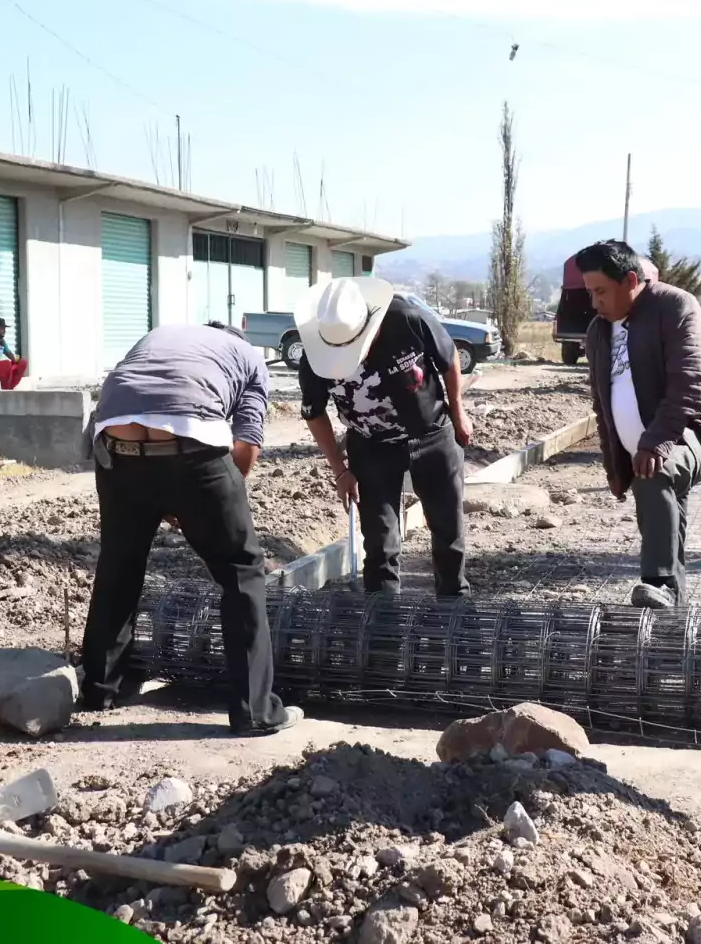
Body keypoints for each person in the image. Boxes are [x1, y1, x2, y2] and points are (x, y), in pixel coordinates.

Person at [79, 322, 301, 736]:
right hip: (190, 447)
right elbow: (246, 446)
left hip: (114, 445)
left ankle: (99, 688)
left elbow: (125, 396)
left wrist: (167, 497)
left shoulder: (162, 335)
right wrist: (201, 502)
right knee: (242, 571)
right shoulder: (250, 358)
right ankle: (256, 712)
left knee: (120, 565)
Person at [577, 240, 701, 609]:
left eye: (601, 291)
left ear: (631, 280)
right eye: (590, 292)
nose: (594, 302)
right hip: (642, 450)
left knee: (656, 475)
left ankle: (658, 581)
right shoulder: (599, 332)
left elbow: (693, 381)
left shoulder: (674, 306)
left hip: (694, 433)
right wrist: (614, 465)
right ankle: (670, 612)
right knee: (663, 519)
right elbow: (602, 406)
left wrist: (655, 442)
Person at [296, 277, 474, 598]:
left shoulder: (408, 320)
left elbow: (449, 360)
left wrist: (458, 411)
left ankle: (454, 609)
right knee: (379, 541)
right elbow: (314, 413)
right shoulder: (314, 355)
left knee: (448, 531)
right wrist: (341, 470)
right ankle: (382, 622)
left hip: (432, 434)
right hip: (371, 446)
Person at [0, 316, 28, 390]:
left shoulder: (1, 340)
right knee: (6, 364)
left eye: (5, 328)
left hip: (0, 370)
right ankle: (5, 388)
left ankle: (10, 386)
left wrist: (18, 361)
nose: (4, 331)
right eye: (2, 328)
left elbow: (9, 354)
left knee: (22, 362)